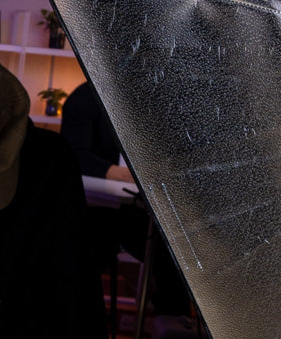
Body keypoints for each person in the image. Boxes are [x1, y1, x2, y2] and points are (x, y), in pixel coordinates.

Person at [61, 81, 192, 317]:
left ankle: (174, 326)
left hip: (144, 209)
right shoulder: (85, 97)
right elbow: (75, 155)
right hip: (95, 210)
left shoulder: (156, 100)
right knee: (82, 263)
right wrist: (129, 175)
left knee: (174, 258)